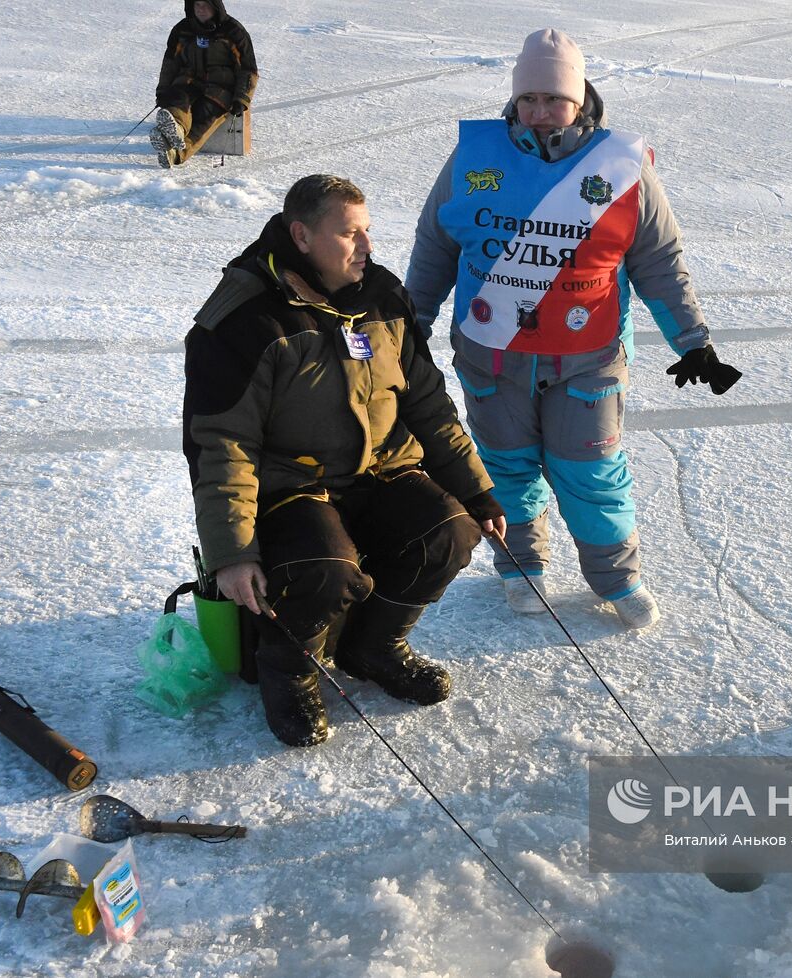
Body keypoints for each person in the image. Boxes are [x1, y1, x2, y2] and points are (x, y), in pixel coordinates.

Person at [404, 28, 741, 630]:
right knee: (505, 465)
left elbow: (659, 260)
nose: (538, 113)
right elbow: (436, 245)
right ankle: (521, 567)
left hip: (587, 357)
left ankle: (616, 575)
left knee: (592, 471)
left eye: (553, 99)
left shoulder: (618, 165)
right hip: (492, 354)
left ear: (579, 98)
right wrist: (411, 323)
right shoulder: (475, 156)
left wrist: (693, 340)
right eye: (528, 97)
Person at [183, 174, 505, 747]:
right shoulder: (243, 319)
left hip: (381, 469)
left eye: (368, 231)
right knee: (327, 568)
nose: (366, 247)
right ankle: (289, 672)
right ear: (302, 235)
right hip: (291, 488)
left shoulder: (380, 295)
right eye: (349, 233)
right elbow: (221, 445)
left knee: (450, 532)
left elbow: (428, 404)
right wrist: (231, 554)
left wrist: (477, 494)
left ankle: (373, 646)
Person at [151, 0, 258, 168]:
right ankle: (176, 129)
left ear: (215, 7)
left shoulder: (233, 32)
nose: (201, 9)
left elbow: (248, 69)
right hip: (188, 80)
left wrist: (241, 98)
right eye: (197, 5)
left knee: (205, 114)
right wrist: (163, 91)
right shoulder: (182, 30)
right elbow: (170, 63)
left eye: (206, 5)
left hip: (220, 87)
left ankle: (176, 153)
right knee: (177, 98)